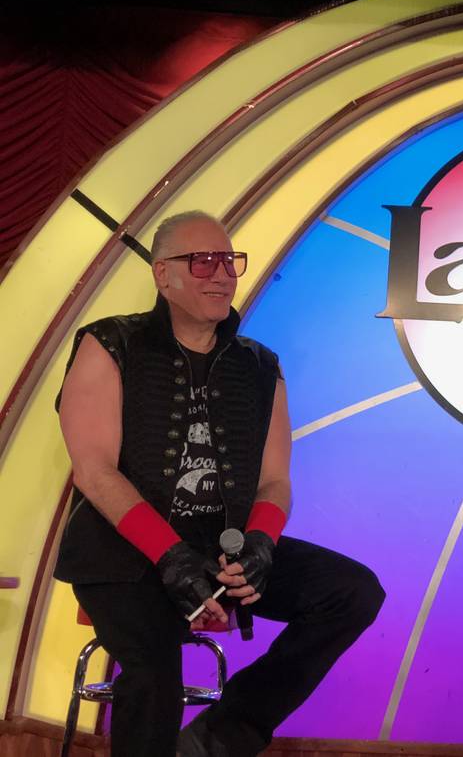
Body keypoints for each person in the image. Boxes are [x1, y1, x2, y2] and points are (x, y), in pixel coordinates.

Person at [55, 210, 385, 757]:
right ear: (163, 274)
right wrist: (172, 558)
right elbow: (94, 470)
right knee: (155, 665)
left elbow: (275, 481)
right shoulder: (109, 343)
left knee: (351, 591)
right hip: (122, 552)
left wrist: (258, 547)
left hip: (217, 546)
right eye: (203, 260)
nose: (222, 274)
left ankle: (224, 732)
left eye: (230, 261)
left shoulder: (260, 365)